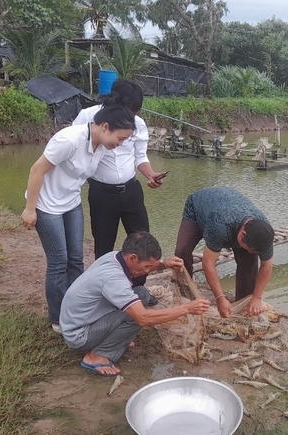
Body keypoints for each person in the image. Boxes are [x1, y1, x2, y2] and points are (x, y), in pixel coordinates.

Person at [21, 105, 136, 334]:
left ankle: (78, 311)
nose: (120, 144)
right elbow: (36, 171)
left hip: (71, 203)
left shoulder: (101, 146)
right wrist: (30, 209)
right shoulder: (69, 140)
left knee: (76, 259)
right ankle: (58, 318)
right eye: (120, 138)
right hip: (47, 205)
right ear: (105, 127)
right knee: (58, 262)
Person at [59, 231, 210, 376]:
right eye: (147, 267)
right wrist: (187, 308)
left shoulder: (113, 257)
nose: (147, 271)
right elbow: (143, 318)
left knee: (141, 294)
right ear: (132, 258)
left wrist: (164, 264)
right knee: (137, 316)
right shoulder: (113, 279)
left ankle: (115, 339)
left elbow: (143, 272)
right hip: (79, 335)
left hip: (78, 322)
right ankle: (97, 356)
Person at [73, 79, 167, 285]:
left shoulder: (138, 124)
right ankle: (103, 287)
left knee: (143, 243)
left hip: (131, 191)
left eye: (135, 111)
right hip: (102, 194)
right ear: (113, 102)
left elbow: (140, 156)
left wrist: (150, 174)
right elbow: (75, 150)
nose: (131, 116)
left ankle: (139, 288)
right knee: (103, 244)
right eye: (128, 109)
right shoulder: (89, 117)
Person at [174, 187, 275, 318]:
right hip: (197, 210)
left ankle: (243, 304)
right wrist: (220, 298)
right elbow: (208, 263)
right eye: (248, 247)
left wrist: (257, 297)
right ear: (243, 234)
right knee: (182, 251)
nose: (250, 251)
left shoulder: (264, 233)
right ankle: (186, 295)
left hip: (227, 206)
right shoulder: (220, 225)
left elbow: (267, 265)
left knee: (250, 261)